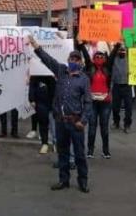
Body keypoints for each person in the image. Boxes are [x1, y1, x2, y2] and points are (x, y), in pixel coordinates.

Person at [28, 35, 91, 193]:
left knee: (79, 155)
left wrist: (83, 121)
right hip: (61, 122)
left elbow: (88, 102)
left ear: (81, 63)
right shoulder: (61, 71)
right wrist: (36, 45)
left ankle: (83, 181)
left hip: (75, 122)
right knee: (62, 153)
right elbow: (47, 59)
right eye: (72, 59)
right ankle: (64, 180)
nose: (73, 62)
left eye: (76, 60)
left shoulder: (84, 79)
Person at [82, 43, 118, 159]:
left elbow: (112, 56)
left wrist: (117, 45)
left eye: (101, 57)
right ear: (93, 59)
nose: (99, 58)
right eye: (97, 57)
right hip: (92, 102)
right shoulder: (89, 67)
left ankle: (105, 150)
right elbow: (86, 55)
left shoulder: (107, 67)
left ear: (105, 58)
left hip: (105, 102)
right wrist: (81, 44)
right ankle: (90, 150)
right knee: (92, 127)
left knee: (104, 127)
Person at [29, 75, 55, 154]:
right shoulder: (36, 74)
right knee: (43, 123)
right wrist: (32, 99)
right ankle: (44, 143)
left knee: (54, 125)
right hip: (40, 102)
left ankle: (56, 143)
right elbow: (32, 86)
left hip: (53, 102)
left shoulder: (53, 72)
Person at [111, 42, 133, 133]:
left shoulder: (130, 59)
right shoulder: (113, 59)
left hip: (127, 86)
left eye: (123, 50)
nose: (122, 52)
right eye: (120, 50)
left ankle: (127, 125)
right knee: (115, 107)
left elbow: (133, 49)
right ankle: (116, 122)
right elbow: (112, 53)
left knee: (129, 108)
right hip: (116, 86)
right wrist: (116, 46)